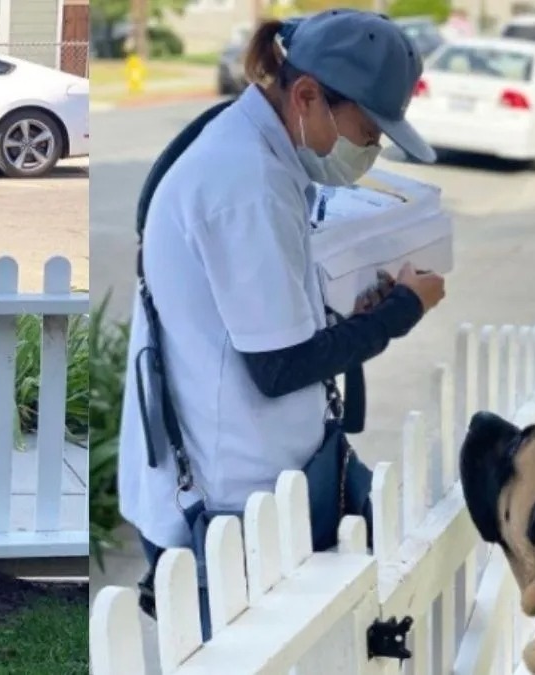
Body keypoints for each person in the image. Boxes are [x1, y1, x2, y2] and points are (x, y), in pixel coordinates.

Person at [118, 10, 447, 640]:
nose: (371, 149)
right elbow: (279, 367)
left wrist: (358, 308)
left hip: (249, 493)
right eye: (369, 131)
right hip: (229, 507)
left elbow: (252, 311)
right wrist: (403, 310)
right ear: (306, 96)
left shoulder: (251, 145)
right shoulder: (249, 182)